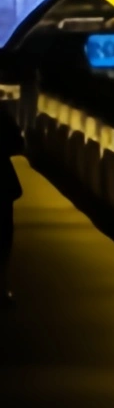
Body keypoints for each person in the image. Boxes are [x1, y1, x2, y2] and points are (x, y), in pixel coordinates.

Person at [0, 111, 22, 307]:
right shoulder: (3, 117)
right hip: (2, 184)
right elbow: (18, 144)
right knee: (4, 239)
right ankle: (2, 287)